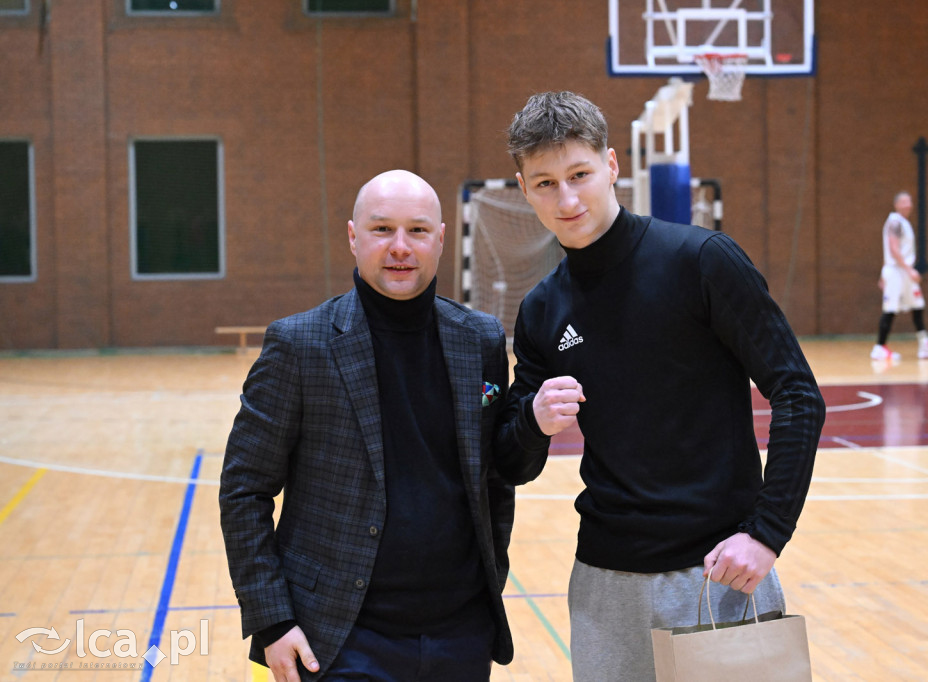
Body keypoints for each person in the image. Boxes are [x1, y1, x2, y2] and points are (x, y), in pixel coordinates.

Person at [494, 91, 826, 681]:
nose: (566, 199)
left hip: (720, 571)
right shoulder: (543, 308)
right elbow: (515, 463)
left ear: (613, 165)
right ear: (523, 189)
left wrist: (768, 534)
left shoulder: (701, 261)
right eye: (545, 183)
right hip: (604, 583)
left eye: (579, 174)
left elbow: (798, 394)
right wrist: (532, 422)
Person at [220, 170, 516, 682]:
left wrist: (491, 580)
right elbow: (244, 490)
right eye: (382, 230)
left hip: (461, 635)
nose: (400, 247)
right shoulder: (299, 345)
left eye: (418, 231)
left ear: (442, 240)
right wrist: (272, 619)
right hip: (340, 639)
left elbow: (494, 479)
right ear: (354, 237)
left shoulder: (481, 340)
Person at [870, 191, 928, 361]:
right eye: (904, 202)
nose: (908, 205)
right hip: (898, 271)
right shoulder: (895, 222)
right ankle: (879, 347)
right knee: (890, 309)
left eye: (909, 202)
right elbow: (893, 249)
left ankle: (924, 344)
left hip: (902, 271)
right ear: (896, 204)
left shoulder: (903, 223)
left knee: (918, 305)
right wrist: (908, 269)